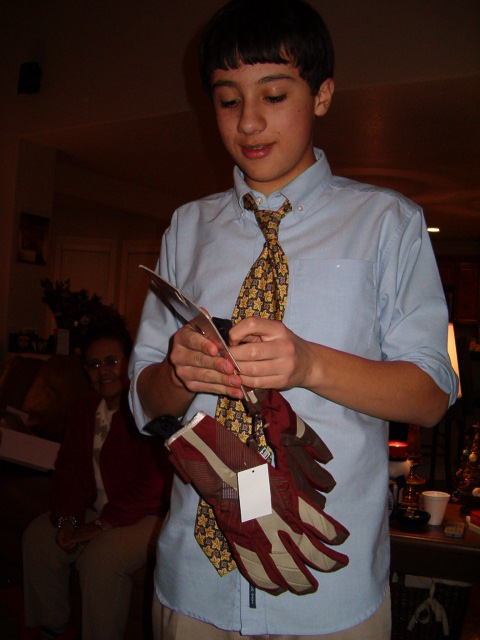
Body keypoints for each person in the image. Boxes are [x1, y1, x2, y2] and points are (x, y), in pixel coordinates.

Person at [128, 1, 458, 638]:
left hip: (329, 598)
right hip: (194, 589)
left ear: (323, 95)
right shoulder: (187, 229)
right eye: (228, 100)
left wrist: (310, 364)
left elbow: (431, 395)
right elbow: (145, 402)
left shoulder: (389, 225)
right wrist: (177, 371)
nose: (249, 121)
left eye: (274, 95)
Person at [23, 318, 173, 640]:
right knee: (39, 538)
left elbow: (154, 483)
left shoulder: (147, 408)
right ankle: (54, 627)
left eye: (111, 361)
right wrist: (67, 519)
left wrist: (102, 525)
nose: (103, 371)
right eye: (93, 364)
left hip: (147, 516)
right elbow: (68, 472)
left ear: (130, 363)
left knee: (100, 561)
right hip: (101, 509)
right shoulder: (83, 409)